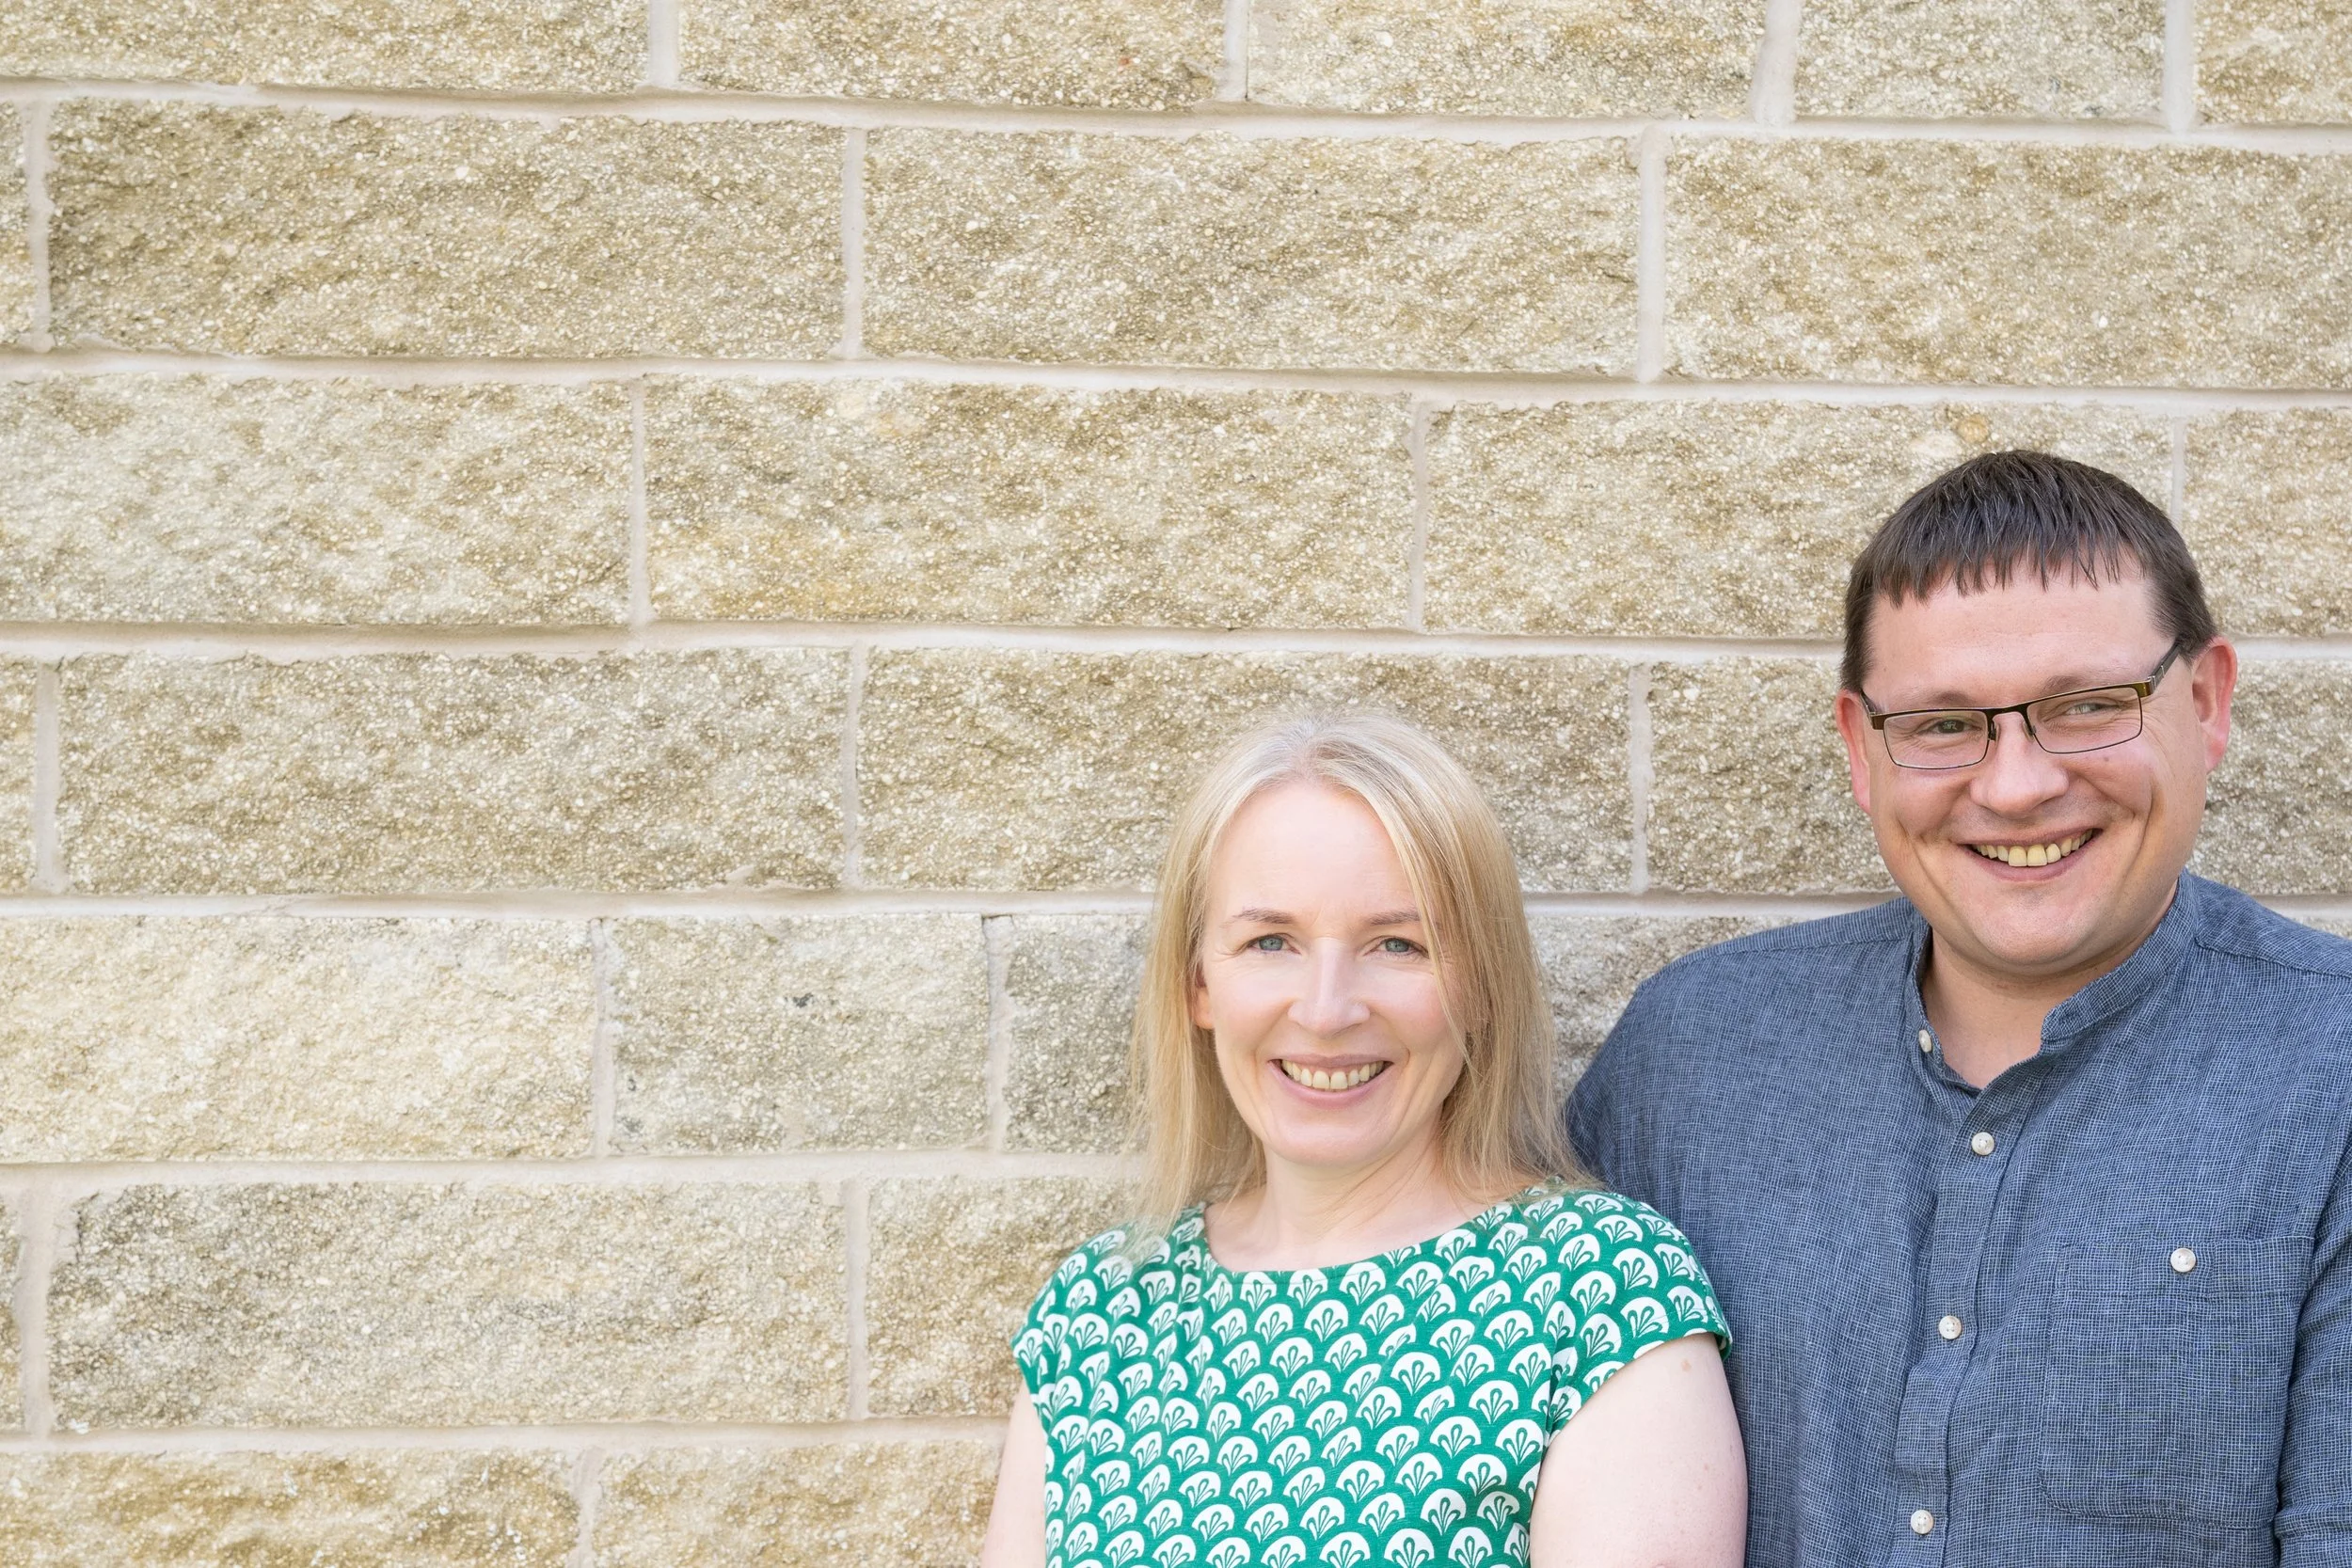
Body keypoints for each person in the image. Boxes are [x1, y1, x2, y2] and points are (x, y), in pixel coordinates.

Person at [1570, 450, 2352, 1567]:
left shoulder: (2333, 1073)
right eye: (1943, 724)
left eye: (2087, 706)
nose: (2017, 784)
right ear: (1859, 746)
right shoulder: (1689, 1053)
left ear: (2206, 700)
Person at [981, 712, 1746, 1568]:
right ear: (1199, 984)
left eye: (1397, 943)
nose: (1326, 1009)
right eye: (1270, 940)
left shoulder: (1598, 1296)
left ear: (1481, 985)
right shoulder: (1098, 1314)